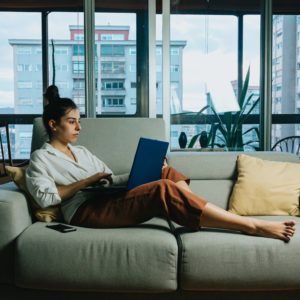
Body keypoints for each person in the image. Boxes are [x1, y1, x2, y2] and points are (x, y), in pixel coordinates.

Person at [25, 96, 296, 242]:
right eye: (72, 122)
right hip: (84, 211)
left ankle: (204, 213)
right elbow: (46, 198)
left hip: (105, 197)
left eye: (78, 121)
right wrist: (87, 181)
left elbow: (109, 179)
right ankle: (248, 225)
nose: (78, 127)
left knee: (165, 173)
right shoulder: (41, 159)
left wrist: (149, 168)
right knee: (164, 190)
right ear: (52, 125)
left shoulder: (81, 152)